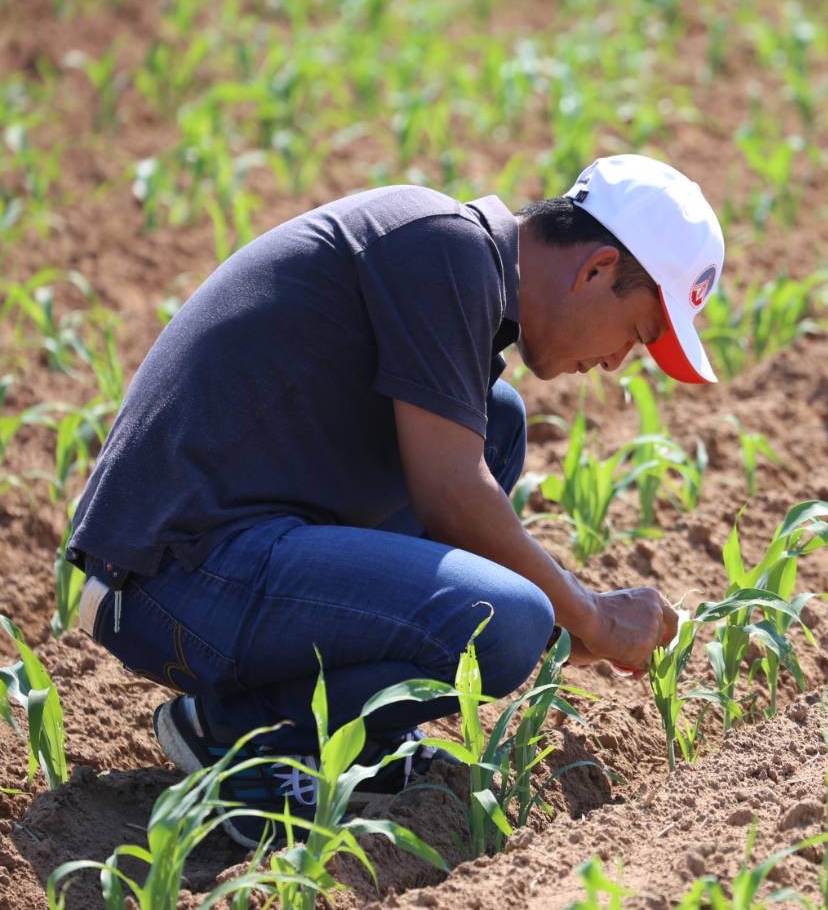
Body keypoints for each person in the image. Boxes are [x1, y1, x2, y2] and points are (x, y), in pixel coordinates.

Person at [63, 153, 724, 847]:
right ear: (594, 269)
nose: (620, 361)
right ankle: (255, 740)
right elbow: (448, 495)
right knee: (505, 619)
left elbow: (457, 474)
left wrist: (574, 625)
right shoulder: (444, 247)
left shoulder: (458, 262)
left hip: (212, 556)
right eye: (639, 330)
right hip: (168, 574)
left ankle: (336, 737)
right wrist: (584, 612)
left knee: (495, 423)